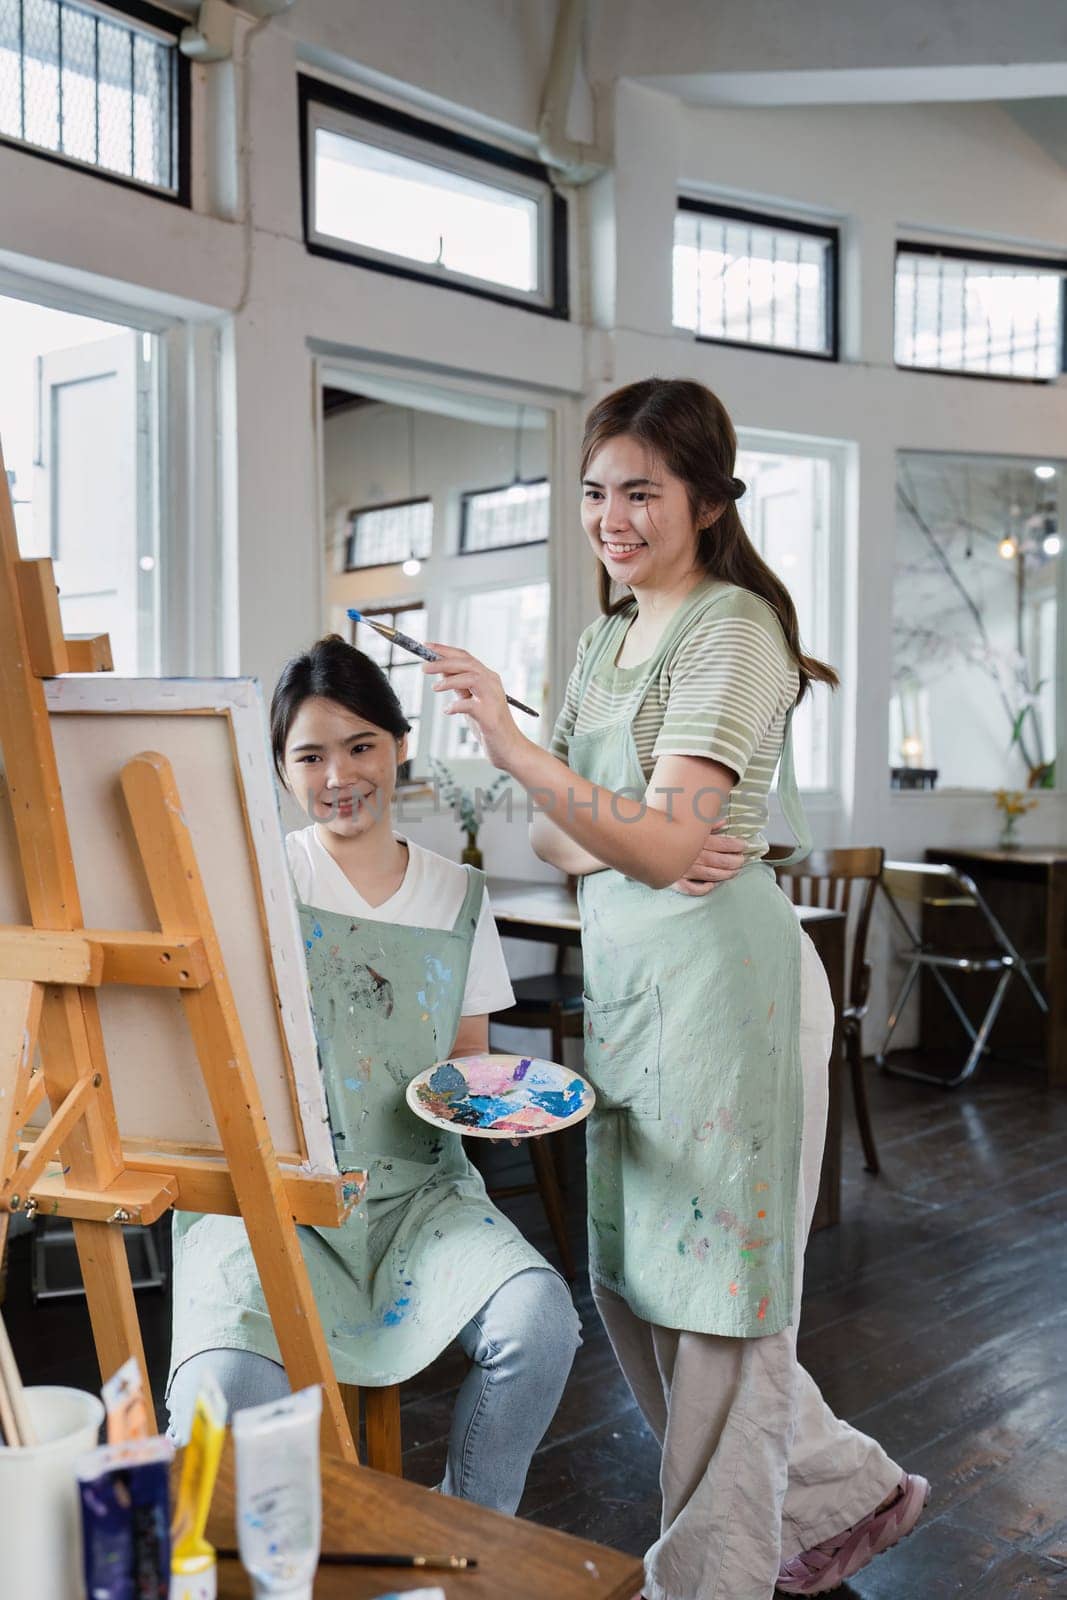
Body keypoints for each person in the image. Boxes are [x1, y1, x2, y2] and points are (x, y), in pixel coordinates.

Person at [422, 378, 928, 1598]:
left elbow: (620, 829)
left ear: (703, 498)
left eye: (640, 490)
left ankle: (709, 1574)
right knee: (631, 1278)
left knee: (714, 1299)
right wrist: (629, 827)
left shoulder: (733, 629)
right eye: (596, 491)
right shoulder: (606, 636)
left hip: (727, 993)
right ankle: (843, 1493)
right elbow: (566, 842)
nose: (612, 516)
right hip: (641, 990)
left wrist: (520, 750)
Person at [166, 636, 581, 1515]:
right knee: (220, 1397)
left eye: (360, 746)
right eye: (309, 755)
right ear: (280, 770)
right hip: (271, 1195)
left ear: (399, 746)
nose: (338, 775)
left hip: (418, 1194)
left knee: (540, 1324)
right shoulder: (257, 882)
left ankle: (473, 1525)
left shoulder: (458, 894)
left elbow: (468, 1059)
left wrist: (509, 1096)